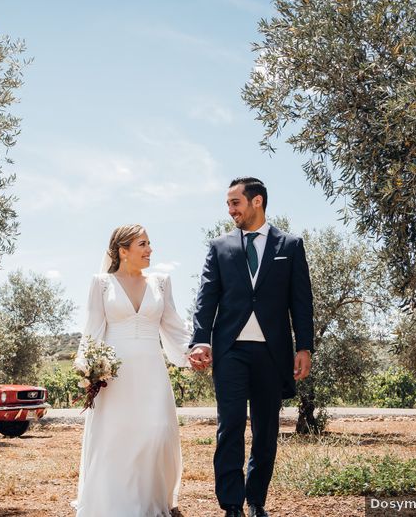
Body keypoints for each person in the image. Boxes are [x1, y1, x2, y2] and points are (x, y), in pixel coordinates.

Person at [188, 177, 314, 517]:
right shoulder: (219, 247)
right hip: (231, 350)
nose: (230, 210)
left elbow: (301, 302)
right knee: (229, 425)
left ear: (256, 202)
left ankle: (256, 500)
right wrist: (200, 340)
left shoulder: (290, 245)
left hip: (273, 354)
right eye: (228, 204)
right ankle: (231, 504)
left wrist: (305, 346)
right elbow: (206, 299)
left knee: (266, 430)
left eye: (235, 203)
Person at [72, 224, 192, 517]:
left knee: (157, 432)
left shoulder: (161, 282)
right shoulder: (101, 283)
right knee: (117, 436)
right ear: (123, 251)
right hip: (115, 376)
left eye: (150, 243)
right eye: (143, 244)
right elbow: (92, 332)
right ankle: (115, 505)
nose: (150, 249)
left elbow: (175, 327)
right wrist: (89, 371)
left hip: (152, 371)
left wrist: (196, 352)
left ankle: (153, 503)